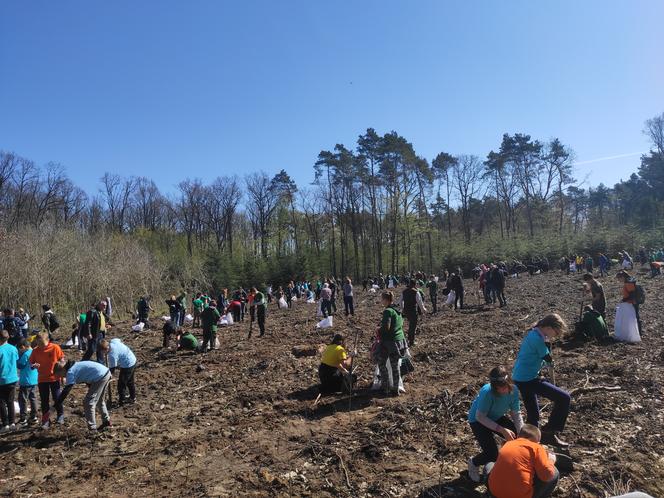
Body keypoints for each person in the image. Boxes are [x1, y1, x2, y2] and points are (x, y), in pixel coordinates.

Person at [512, 314, 570, 447]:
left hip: (522, 376)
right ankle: (550, 432)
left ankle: (529, 442)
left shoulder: (536, 334)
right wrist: (549, 359)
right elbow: (546, 357)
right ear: (548, 327)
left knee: (533, 415)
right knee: (564, 398)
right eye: (555, 333)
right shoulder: (537, 339)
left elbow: (541, 358)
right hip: (527, 379)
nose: (554, 336)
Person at [467, 366, 524, 482]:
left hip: (495, 416)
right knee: (492, 454)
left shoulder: (514, 390)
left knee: (517, 438)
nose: (502, 391)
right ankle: (473, 463)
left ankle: (512, 462)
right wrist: (502, 430)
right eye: (498, 388)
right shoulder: (487, 392)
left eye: (504, 387)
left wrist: (522, 433)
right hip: (478, 421)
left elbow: (516, 414)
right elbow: (480, 417)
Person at [487, 424, 559, 498]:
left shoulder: (508, 444)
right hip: (520, 495)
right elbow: (546, 476)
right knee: (554, 472)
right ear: (537, 442)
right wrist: (551, 460)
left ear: (519, 436)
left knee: (489, 465)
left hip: (494, 492)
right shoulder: (537, 447)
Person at [53, 360, 111, 433]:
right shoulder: (74, 365)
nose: (62, 377)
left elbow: (66, 391)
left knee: (88, 402)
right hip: (105, 372)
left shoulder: (70, 372)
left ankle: (92, 429)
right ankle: (106, 422)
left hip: (100, 376)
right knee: (99, 400)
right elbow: (87, 376)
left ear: (62, 370)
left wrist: (56, 404)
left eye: (60, 375)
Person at [29, 331, 65, 428]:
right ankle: (46, 420)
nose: (41, 346)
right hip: (42, 379)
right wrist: (33, 366)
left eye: (42, 344)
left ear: (48, 341)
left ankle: (60, 415)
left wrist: (63, 376)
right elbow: (31, 363)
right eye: (38, 344)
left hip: (54, 377)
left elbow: (62, 360)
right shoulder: (35, 351)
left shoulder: (55, 347)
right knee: (44, 400)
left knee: (57, 397)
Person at [375, 291, 407, 397]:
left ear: (386, 300)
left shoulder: (388, 311)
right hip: (400, 341)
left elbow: (387, 327)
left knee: (381, 363)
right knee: (395, 366)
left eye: (382, 299)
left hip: (389, 342)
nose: (381, 301)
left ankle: (386, 388)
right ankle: (395, 389)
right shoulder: (397, 310)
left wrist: (378, 329)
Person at [100, 338, 136, 405]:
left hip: (128, 365)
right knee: (130, 381)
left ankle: (122, 401)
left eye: (103, 352)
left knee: (121, 384)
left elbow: (112, 369)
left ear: (106, 349)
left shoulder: (112, 355)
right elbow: (119, 339)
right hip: (132, 359)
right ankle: (132, 397)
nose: (103, 354)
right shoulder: (113, 341)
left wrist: (106, 377)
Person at [0, 330, 19, 432]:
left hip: (2, 380)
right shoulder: (13, 348)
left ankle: (5, 424)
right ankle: (12, 423)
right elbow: (15, 360)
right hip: (13, 379)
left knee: (2, 402)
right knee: (10, 401)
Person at [615, 271, 641, 342]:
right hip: (631, 302)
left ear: (622, 277)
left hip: (632, 302)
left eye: (619, 279)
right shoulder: (629, 280)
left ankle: (637, 333)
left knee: (635, 317)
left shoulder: (628, 282)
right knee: (635, 317)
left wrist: (624, 300)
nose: (619, 280)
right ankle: (637, 332)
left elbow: (631, 294)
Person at [16, 338, 38, 425]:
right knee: (33, 398)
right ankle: (34, 416)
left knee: (23, 399)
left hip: (25, 380)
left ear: (23, 347)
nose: (20, 351)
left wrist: (17, 358)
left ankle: (23, 418)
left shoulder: (26, 354)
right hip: (33, 380)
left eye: (20, 349)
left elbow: (20, 365)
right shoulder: (35, 352)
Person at [399, 279, 426, 346]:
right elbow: (420, 302)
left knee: (411, 325)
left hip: (406, 311)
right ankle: (411, 341)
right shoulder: (416, 292)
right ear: (414, 284)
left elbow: (400, 301)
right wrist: (423, 310)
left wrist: (402, 309)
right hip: (413, 311)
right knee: (412, 326)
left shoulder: (404, 291)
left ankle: (409, 339)